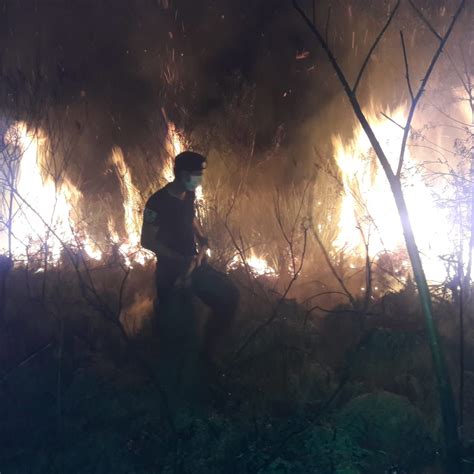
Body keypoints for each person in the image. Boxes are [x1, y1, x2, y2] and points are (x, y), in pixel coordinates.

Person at [140, 151, 239, 367]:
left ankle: (209, 353)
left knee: (230, 296)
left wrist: (201, 236)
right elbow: (147, 241)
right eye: (197, 174)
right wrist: (178, 259)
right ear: (183, 174)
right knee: (178, 335)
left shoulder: (189, 193)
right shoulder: (157, 202)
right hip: (171, 274)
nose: (200, 179)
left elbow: (190, 217)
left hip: (195, 267)